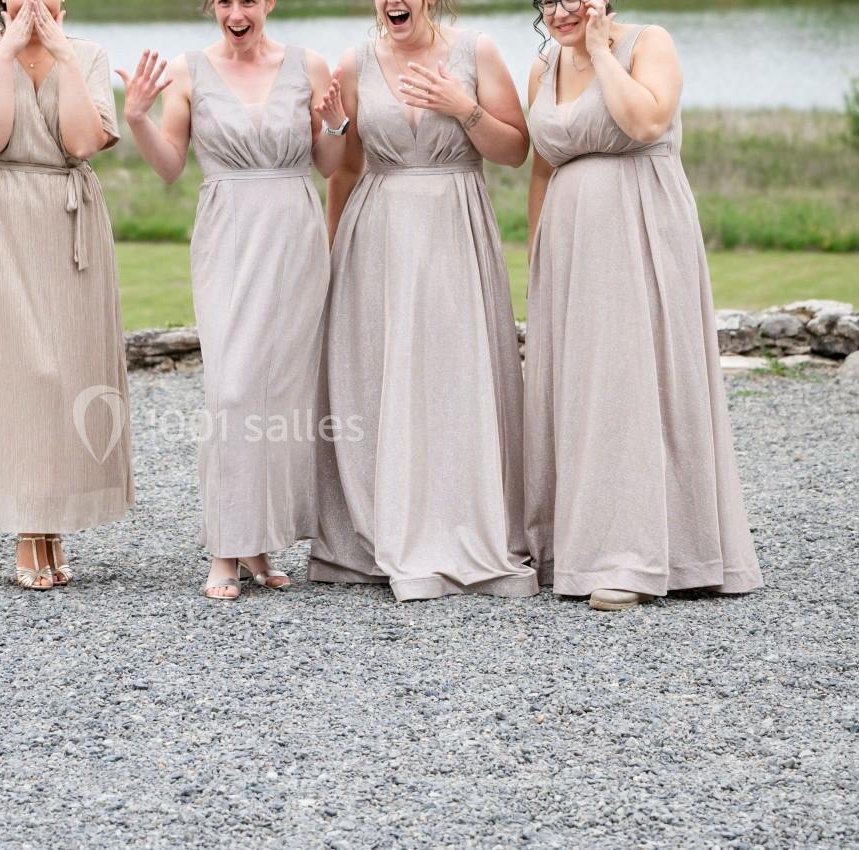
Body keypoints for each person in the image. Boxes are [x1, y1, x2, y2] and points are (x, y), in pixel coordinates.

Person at [524, 0, 763, 610]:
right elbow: (541, 171)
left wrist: (601, 53)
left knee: (633, 385)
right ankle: (572, 547)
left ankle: (639, 555)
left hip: (641, 227)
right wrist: (538, 257)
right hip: (571, 245)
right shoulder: (541, 67)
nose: (561, 8)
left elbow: (646, 123)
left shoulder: (648, 42)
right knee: (580, 388)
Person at [117, 0, 346, 599]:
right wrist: (138, 117)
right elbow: (170, 166)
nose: (236, 11)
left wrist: (337, 123)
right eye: (224, 0)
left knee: (281, 388)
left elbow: (328, 166)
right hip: (229, 232)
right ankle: (224, 546)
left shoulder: (310, 65)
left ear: (268, 3)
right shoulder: (188, 70)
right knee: (233, 388)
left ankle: (257, 541)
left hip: (295, 233)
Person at [310, 0, 536, 601]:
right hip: (376, 234)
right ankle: (377, 530)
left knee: (453, 376)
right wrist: (335, 253)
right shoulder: (356, 62)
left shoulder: (476, 51)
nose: (392, 3)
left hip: (454, 226)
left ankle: (461, 525)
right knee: (377, 378)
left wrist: (463, 109)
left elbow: (514, 150)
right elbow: (340, 167)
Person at [0, 0, 133, 591]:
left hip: (67, 218)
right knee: (16, 374)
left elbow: (81, 141)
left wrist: (62, 57)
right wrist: (6, 50)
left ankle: (52, 523)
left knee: (67, 373)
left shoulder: (89, 55)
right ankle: (30, 531)